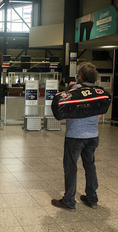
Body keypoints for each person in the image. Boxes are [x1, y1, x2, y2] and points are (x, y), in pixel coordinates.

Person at [52, 62, 101, 211]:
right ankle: (92, 199)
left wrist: (70, 87)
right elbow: (99, 115)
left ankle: (69, 201)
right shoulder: (98, 92)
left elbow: (64, 109)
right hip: (93, 135)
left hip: (75, 136)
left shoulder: (74, 90)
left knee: (71, 167)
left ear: (80, 76)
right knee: (90, 166)